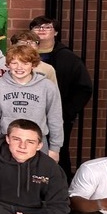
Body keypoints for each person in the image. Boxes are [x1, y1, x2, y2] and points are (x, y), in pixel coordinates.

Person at [29, 15, 94, 178]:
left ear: (56, 32)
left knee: (57, 153)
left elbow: (84, 88)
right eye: (37, 27)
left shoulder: (68, 58)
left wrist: (66, 113)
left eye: (47, 27)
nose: (42, 30)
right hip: (29, 116)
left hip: (58, 118)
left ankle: (60, 190)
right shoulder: (20, 58)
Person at [0, 44, 63, 161]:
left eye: (25, 63)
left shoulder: (47, 86)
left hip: (38, 143)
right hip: (6, 142)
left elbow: (55, 118)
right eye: (14, 63)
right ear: (8, 65)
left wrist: (55, 149)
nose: (19, 67)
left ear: (33, 65)